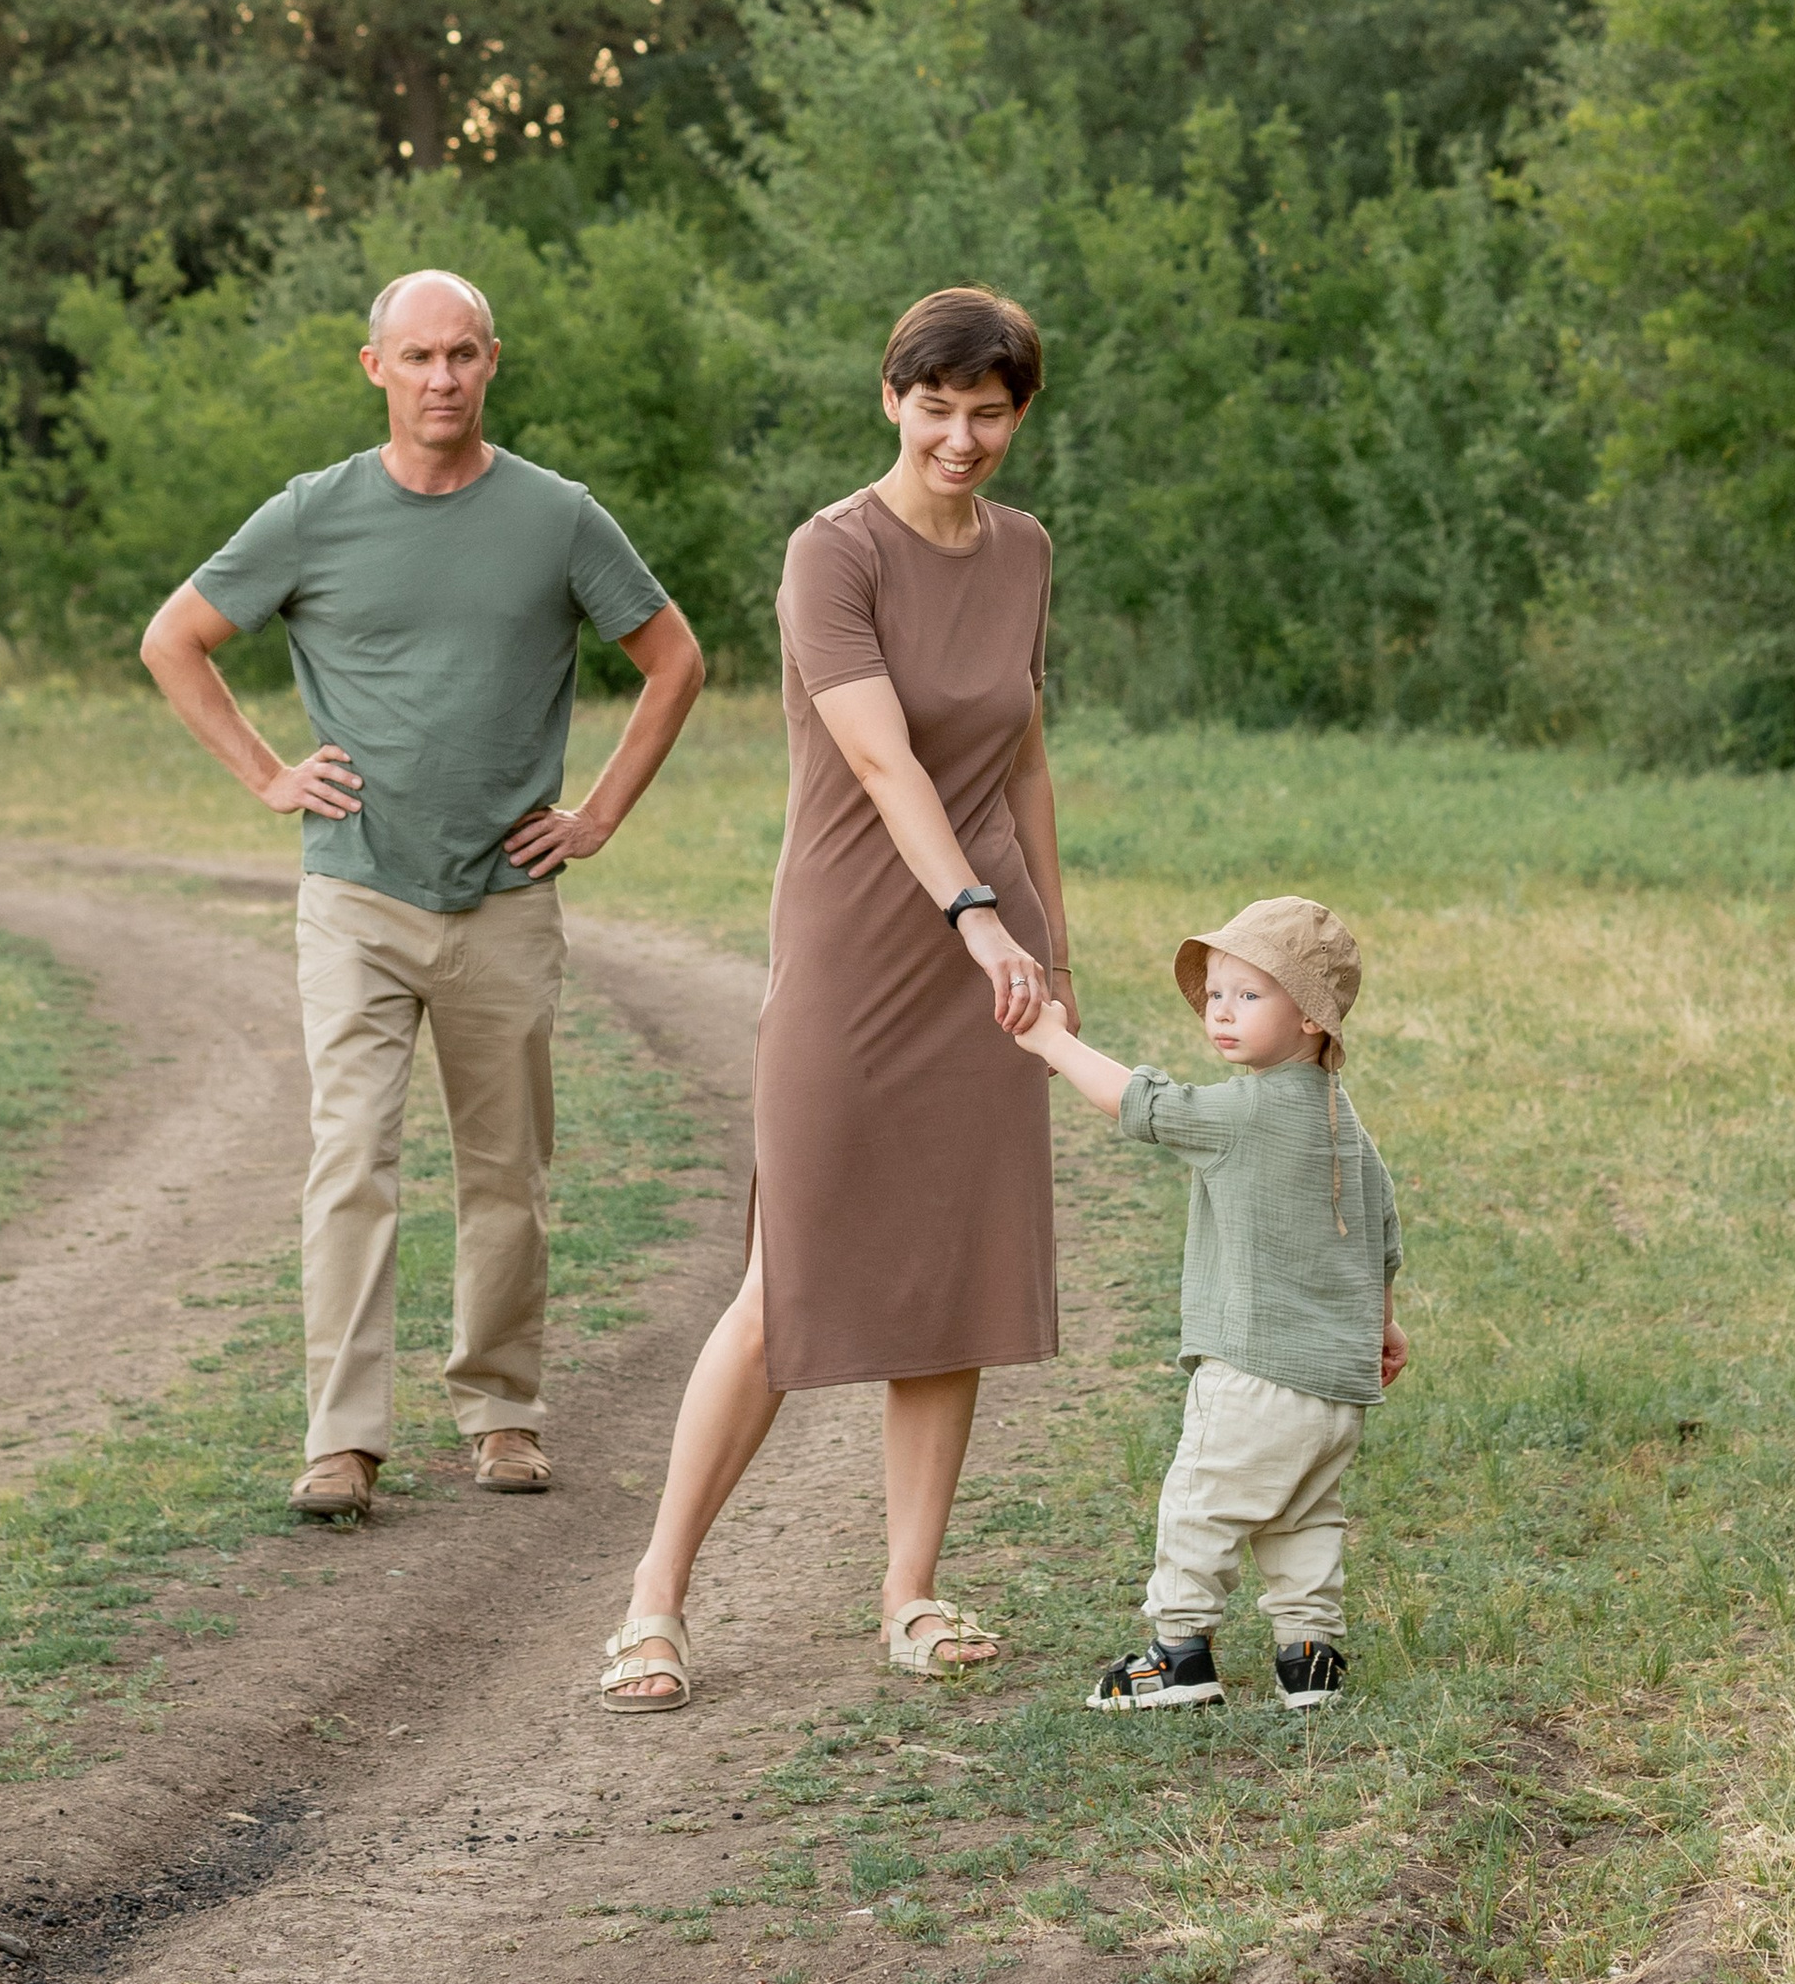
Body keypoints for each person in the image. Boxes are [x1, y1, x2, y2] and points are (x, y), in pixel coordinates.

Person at [140, 266, 705, 1524]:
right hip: (355, 896)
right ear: (374, 367)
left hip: (506, 897)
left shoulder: (557, 517)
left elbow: (674, 657)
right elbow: (172, 639)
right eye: (417, 357)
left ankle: (502, 1414)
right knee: (352, 1159)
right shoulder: (310, 514)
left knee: (507, 1169)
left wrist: (601, 810)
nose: (440, 378)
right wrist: (266, 775)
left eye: (461, 355)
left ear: (491, 361)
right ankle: (340, 1439)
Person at [599, 285, 1070, 1715]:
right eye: (938, 407)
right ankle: (655, 1598)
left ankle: (911, 1591)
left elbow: (1023, 755)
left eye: (991, 412)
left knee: (957, 1272)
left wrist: (1052, 943)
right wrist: (977, 916)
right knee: (787, 1274)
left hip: (992, 952)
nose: (963, 436)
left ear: (1020, 415)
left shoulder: (1027, 550)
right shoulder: (832, 553)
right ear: (892, 399)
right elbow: (883, 760)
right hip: (866, 947)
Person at [1015, 896, 1407, 1713]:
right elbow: (1382, 1230)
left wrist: (1051, 1039)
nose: (1221, 1013)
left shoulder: (1246, 1112)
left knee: (1201, 1504)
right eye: (1216, 994)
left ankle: (1178, 1654)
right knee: (1304, 1516)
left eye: (1249, 996)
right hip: (1334, 1389)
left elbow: (1144, 1106)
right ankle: (1310, 1658)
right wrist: (1384, 1322)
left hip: (1255, 1373)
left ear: (1310, 1019)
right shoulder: (1344, 1118)